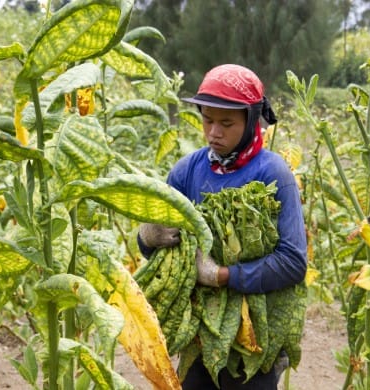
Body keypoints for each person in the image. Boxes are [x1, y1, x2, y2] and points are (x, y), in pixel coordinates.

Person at [137, 64, 307, 389]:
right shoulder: (186, 172)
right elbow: (159, 257)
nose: (214, 132)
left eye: (226, 123)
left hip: (257, 335)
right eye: (208, 120)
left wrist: (222, 275)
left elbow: (293, 262)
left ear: (250, 121)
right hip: (199, 336)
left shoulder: (273, 174)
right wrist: (148, 237)